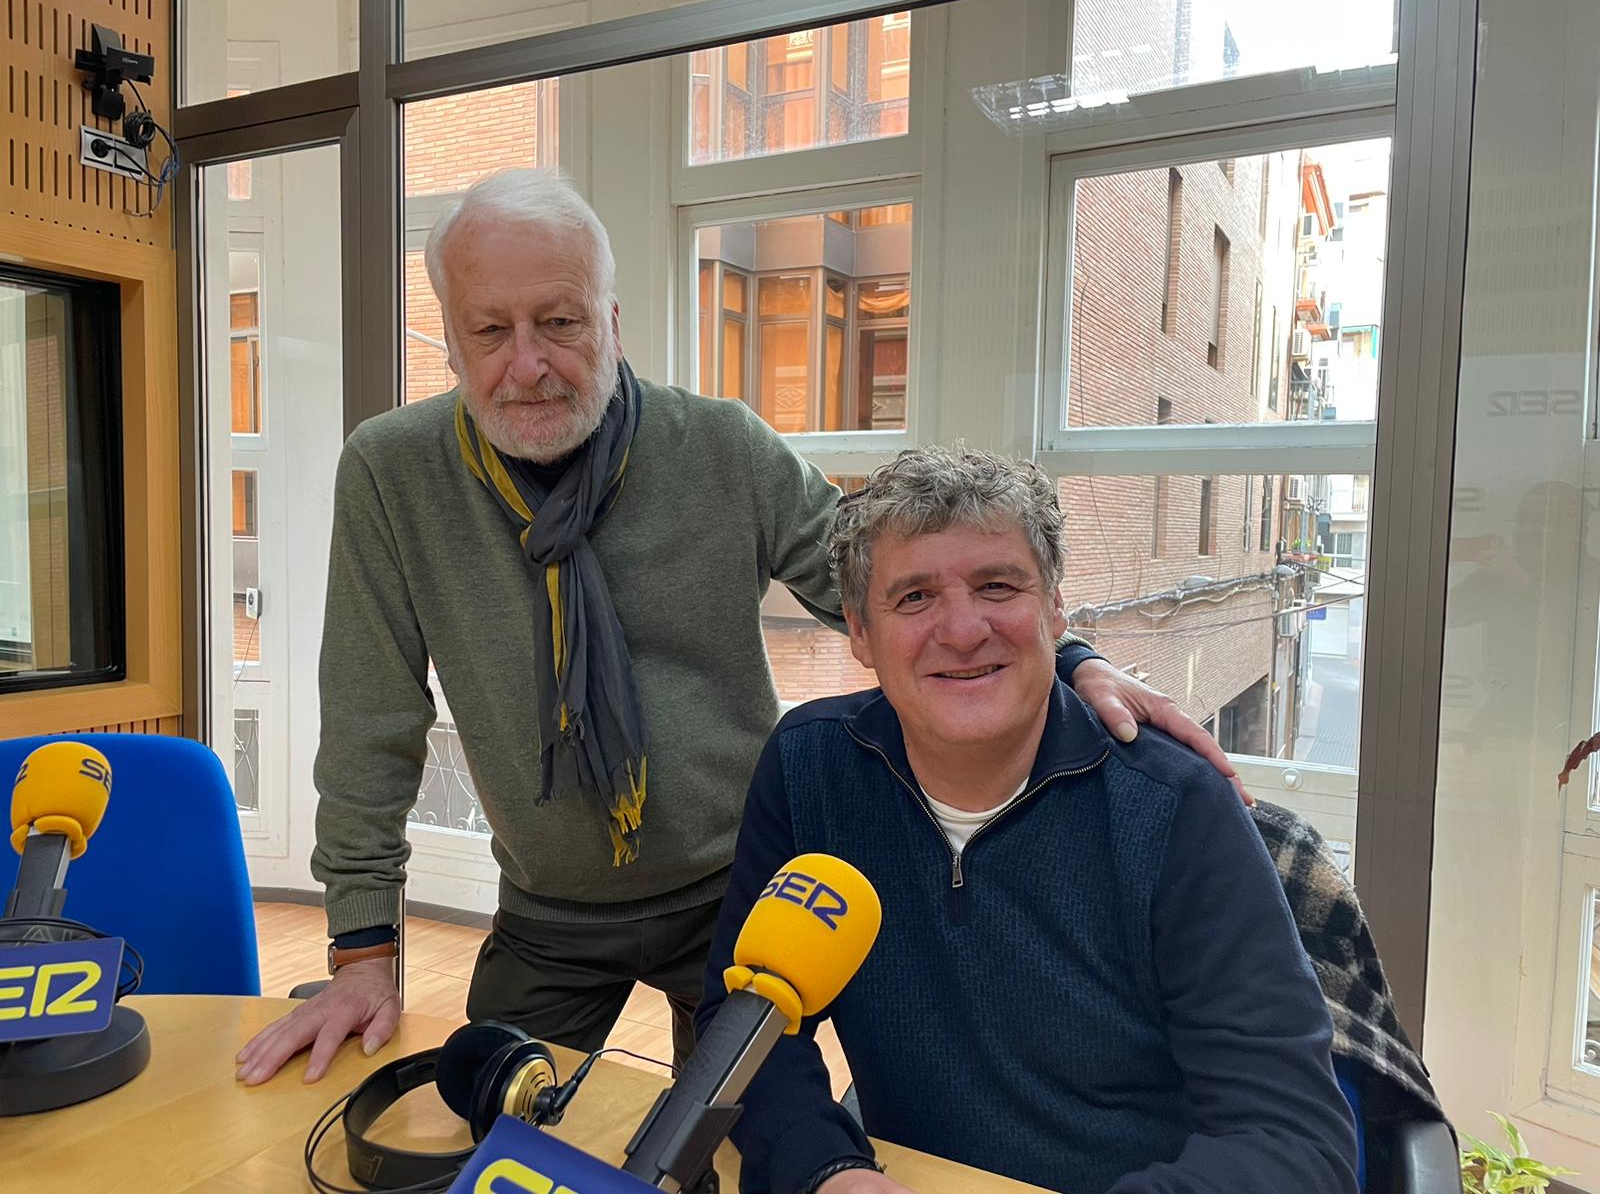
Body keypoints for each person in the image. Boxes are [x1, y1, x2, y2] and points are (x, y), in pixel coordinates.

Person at [233, 168, 1241, 1088]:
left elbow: (893, 584)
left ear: (614, 324)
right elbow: (369, 718)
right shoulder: (391, 472)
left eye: (560, 321)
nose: (527, 364)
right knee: (489, 1135)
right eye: (489, 332)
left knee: (739, 1136)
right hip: (547, 909)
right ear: (449, 341)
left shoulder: (721, 447)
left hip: (739, 892)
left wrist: (1065, 656)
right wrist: (362, 957)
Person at [697, 446, 1357, 1194]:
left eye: (997, 585)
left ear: (1054, 608)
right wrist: (827, 1169)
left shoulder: (1176, 807)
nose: (963, 629)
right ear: (858, 631)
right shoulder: (808, 767)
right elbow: (744, 1022)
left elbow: (1292, 1142)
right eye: (913, 598)